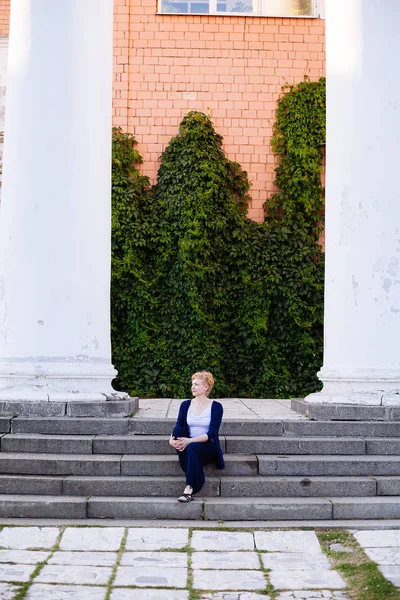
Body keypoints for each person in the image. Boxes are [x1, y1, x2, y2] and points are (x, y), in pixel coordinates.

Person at [169, 371, 224, 502]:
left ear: (206, 387)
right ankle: (190, 465)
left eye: (197, 384)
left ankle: (190, 488)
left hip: (207, 445)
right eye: (192, 384)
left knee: (193, 447)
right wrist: (171, 440)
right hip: (186, 444)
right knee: (178, 430)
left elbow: (212, 434)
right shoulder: (186, 404)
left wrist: (190, 441)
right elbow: (178, 426)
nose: (193, 387)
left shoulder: (216, 407)